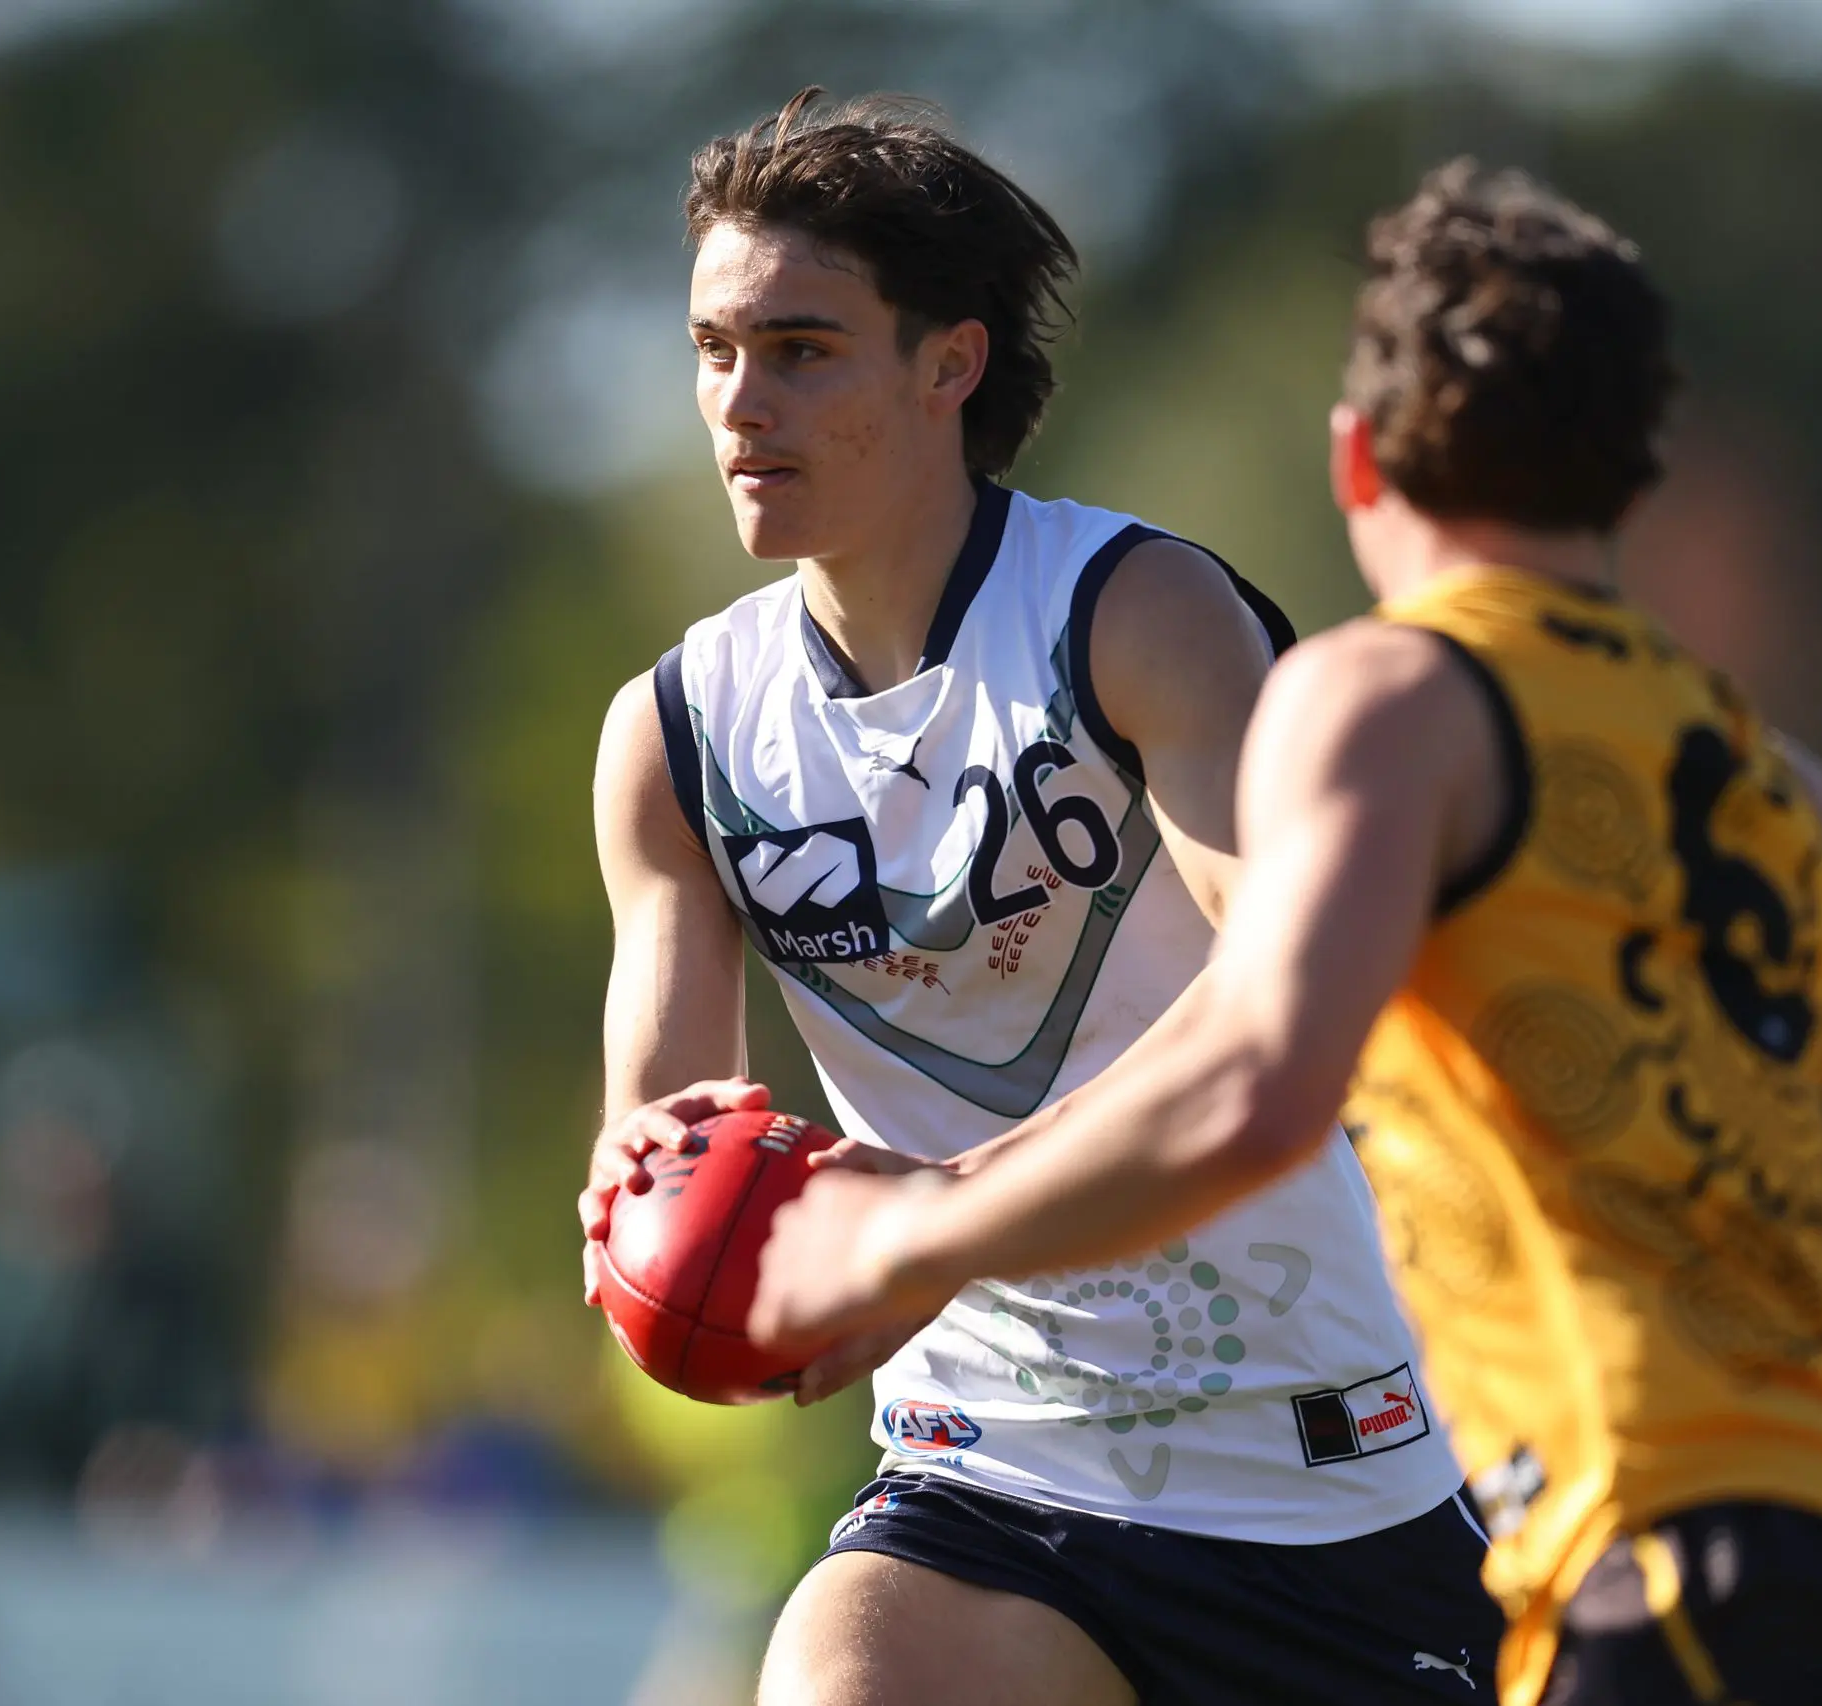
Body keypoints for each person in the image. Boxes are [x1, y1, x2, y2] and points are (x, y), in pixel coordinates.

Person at [747, 161, 1822, 1706]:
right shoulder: (1761, 777)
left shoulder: (1387, 703)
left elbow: (1260, 1080)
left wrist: (907, 1234)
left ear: (1358, 464)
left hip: (1659, 1578)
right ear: (1631, 481)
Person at [578, 91, 1505, 1706]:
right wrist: (690, 1258)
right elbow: (663, 1151)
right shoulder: (675, 742)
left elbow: (1286, 1002)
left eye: (801, 349)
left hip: (1326, 1470)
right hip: (980, 1476)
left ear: (952, 364)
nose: (740, 403)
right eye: (714, 350)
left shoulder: (1137, 616)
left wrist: (939, 1223)